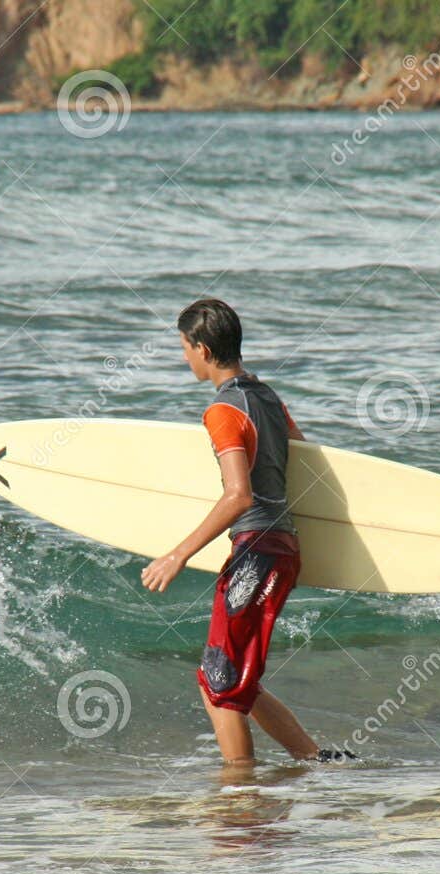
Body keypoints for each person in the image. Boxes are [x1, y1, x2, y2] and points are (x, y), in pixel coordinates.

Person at [140, 298, 331, 766]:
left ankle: (239, 793)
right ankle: (316, 760)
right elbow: (302, 460)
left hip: (256, 550)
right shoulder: (267, 397)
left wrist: (177, 554)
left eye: (184, 347)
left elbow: (239, 495)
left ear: (202, 349)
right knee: (235, 678)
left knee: (219, 679)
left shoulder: (223, 411)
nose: (184, 357)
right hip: (282, 549)